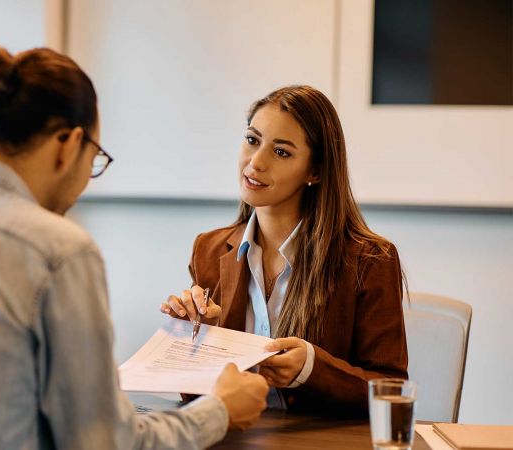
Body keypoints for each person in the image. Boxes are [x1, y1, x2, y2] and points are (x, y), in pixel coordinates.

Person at [0, 46, 269, 450]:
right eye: (94, 158)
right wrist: (220, 409)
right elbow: (103, 444)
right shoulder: (56, 250)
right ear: (69, 143)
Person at [160, 85, 408, 416]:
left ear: (315, 171)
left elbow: (391, 391)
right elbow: (195, 399)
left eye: (281, 152)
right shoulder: (209, 249)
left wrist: (312, 370)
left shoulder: (369, 259)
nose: (256, 162)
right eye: (252, 140)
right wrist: (199, 339)